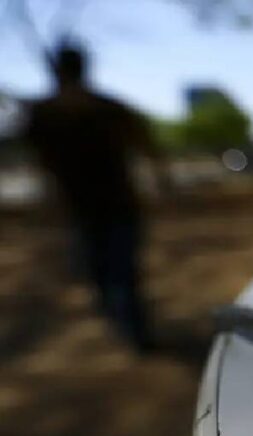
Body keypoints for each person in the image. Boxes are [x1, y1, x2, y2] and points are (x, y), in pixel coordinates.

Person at [23, 42, 163, 352]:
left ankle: (135, 332)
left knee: (119, 274)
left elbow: (144, 146)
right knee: (104, 273)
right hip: (92, 209)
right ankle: (126, 325)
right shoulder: (47, 115)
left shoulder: (98, 110)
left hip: (108, 207)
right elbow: (147, 148)